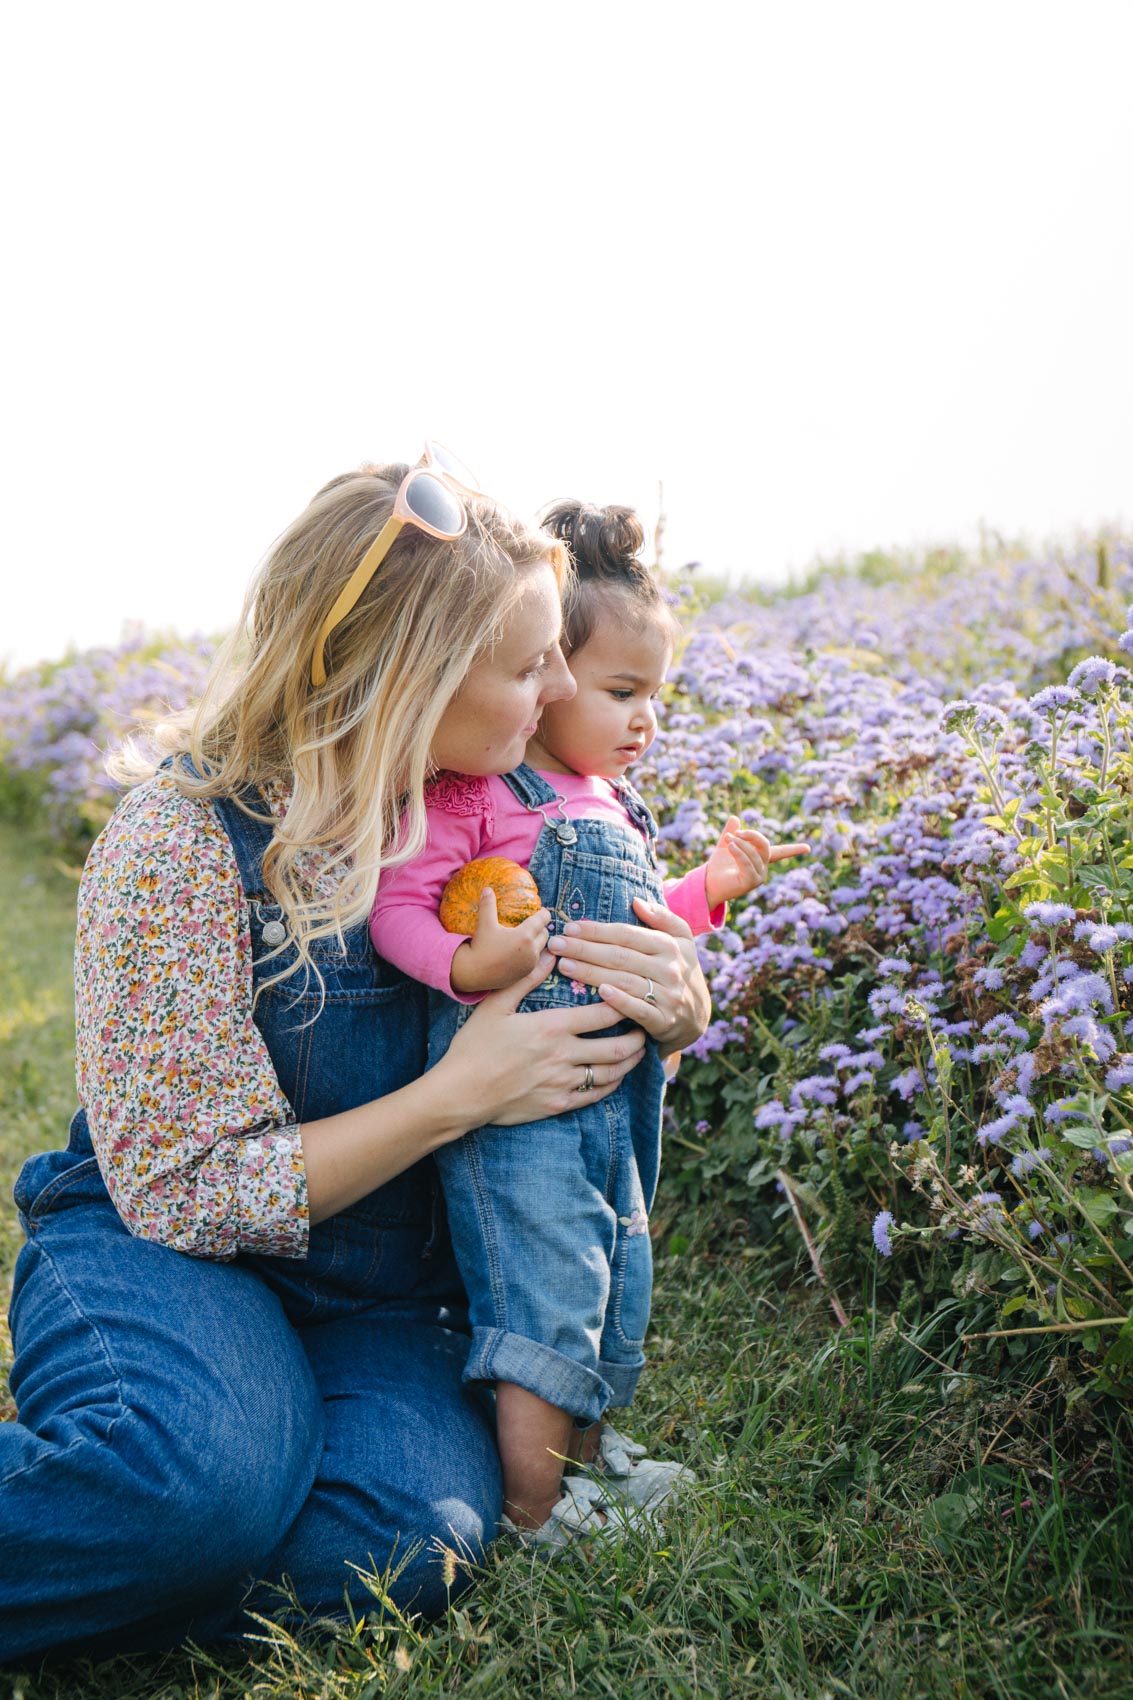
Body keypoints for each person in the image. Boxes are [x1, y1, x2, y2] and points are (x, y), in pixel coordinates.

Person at [0, 452, 713, 1666]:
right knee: (198, 1479)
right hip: (175, 1251)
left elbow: (558, 1106)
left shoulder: (517, 818)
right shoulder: (182, 836)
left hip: (385, 1297)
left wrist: (664, 1009)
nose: (555, 690)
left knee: (409, 1538)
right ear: (409, 676)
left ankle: (138, 1557)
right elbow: (181, 1185)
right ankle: (172, 1504)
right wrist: (451, 1095)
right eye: (525, 662)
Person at [370, 501, 809, 1542]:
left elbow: (649, 926)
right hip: (516, 1096)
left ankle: (584, 1456)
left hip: (615, 1094)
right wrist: (464, 960)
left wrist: (712, 888)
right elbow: (399, 905)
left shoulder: (614, 805)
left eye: (652, 695)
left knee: (613, 1270)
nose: (639, 717)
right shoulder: (481, 791)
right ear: (541, 676)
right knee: (542, 1283)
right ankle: (532, 1510)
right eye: (620, 691)